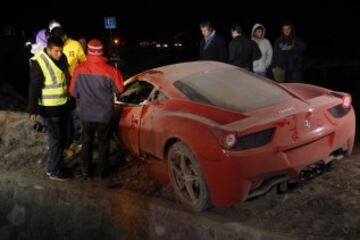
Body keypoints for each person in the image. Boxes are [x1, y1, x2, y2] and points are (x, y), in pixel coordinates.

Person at [69, 39, 124, 179]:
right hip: (104, 114)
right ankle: (102, 172)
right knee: (103, 142)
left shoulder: (79, 69)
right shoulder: (111, 71)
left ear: (88, 51)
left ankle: (85, 170)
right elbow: (119, 90)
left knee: (87, 140)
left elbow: (72, 92)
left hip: (86, 113)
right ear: (102, 51)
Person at [27, 36, 72, 181]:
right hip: (48, 109)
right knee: (55, 140)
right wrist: (32, 110)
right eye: (56, 51)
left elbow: (64, 78)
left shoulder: (62, 58)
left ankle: (56, 165)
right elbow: (34, 88)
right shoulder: (39, 62)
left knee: (62, 138)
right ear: (48, 49)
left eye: (61, 50)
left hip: (62, 106)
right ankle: (54, 171)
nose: (59, 54)